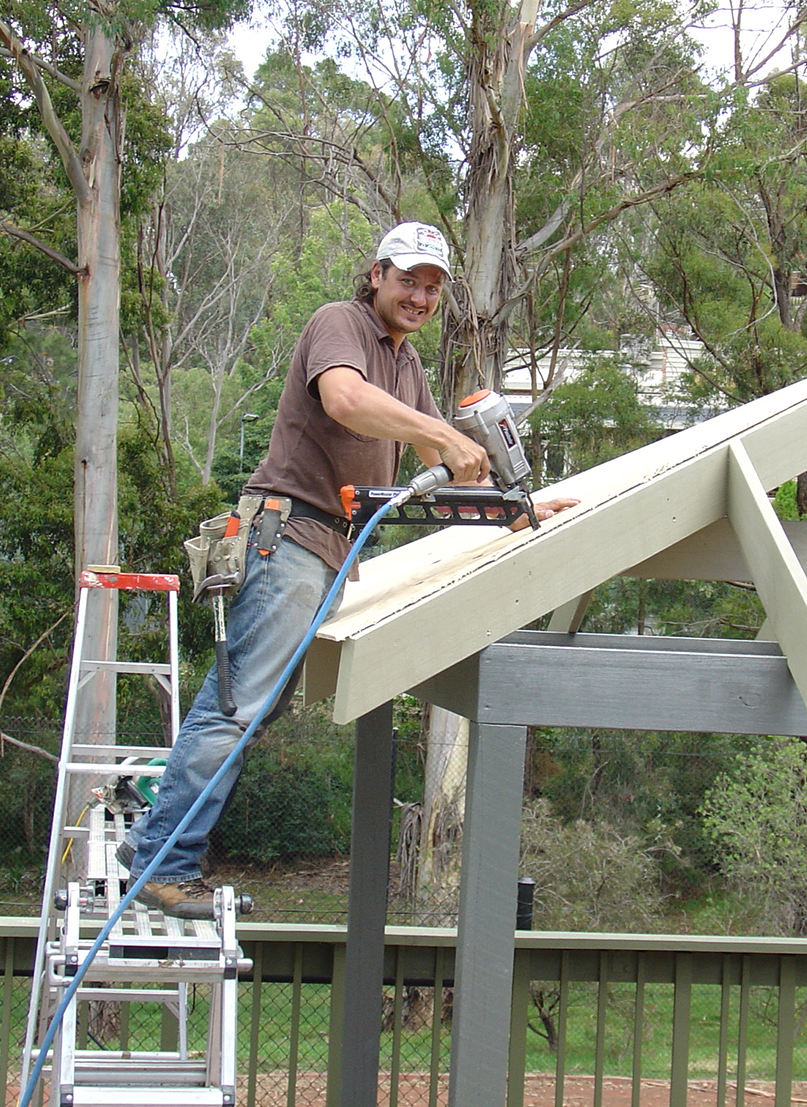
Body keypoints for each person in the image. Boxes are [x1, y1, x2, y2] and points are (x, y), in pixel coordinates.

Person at [122, 221, 574, 917]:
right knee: (235, 709)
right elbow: (345, 400)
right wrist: (446, 433)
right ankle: (162, 864)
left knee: (251, 708)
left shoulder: (409, 367)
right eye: (408, 281)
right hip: (288, 533)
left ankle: (154, 848)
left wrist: (520, 506)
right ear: (376, 276)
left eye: (432, 287)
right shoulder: (341, 325)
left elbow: (437, 472)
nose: (420, 297)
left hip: (328, 551)